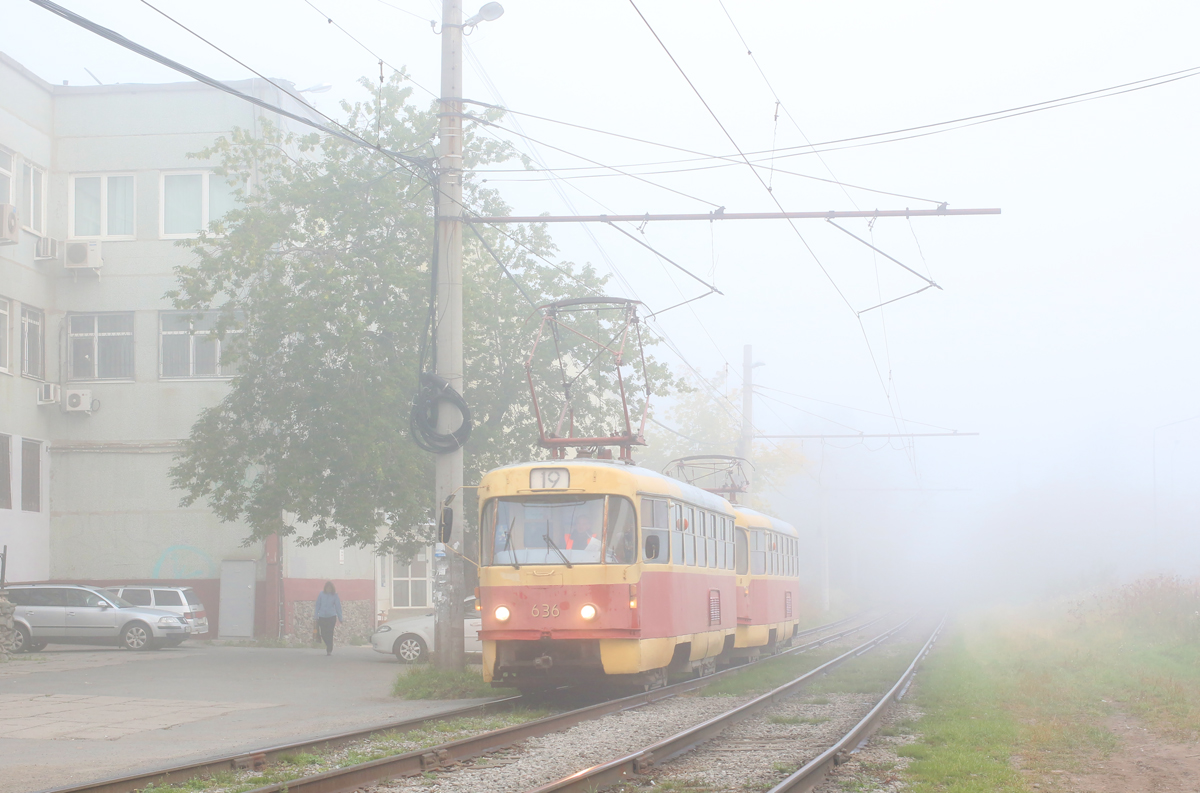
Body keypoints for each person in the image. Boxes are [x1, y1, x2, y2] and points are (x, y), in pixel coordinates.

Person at [314, 581, 342, 656]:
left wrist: (340, 618)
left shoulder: (335, 595)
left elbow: (338, 607)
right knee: (323, 633)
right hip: (322, 616)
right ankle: (328, 645)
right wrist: (316, 615)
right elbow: (317, 605)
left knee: (330, 633)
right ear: (325, 588)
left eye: (330, 588)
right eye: (327, 588)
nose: (328, 589)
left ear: (332, 588)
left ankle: (329, 649)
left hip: (331, 617)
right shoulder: (321, 594)